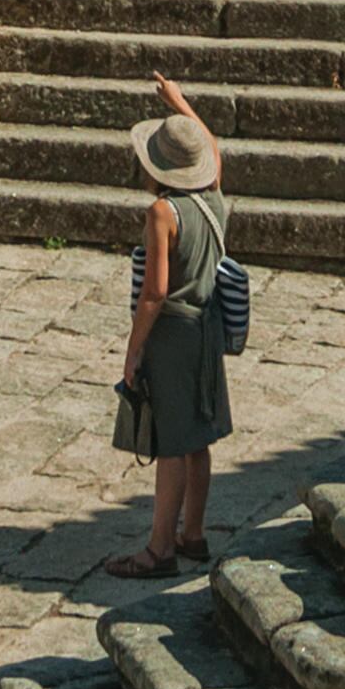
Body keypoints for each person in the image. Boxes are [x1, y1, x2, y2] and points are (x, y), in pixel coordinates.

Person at [106, 75, 230, 579]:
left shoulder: (162, 212)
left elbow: (154, 292)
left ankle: (159, 549)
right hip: (208, 327)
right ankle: (193, 534)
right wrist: (180, 104)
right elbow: (213, 154)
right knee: (198, 437)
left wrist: (134, 351)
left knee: (172, 444)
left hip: (174, 334)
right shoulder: (214, 196)